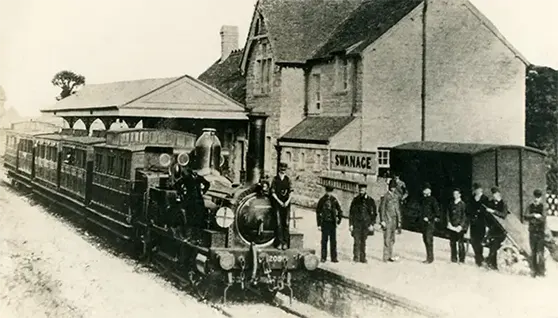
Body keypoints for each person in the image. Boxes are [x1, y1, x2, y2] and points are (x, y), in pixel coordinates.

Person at [349, 183, 377, 263]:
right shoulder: (355, 200)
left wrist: (372, 224)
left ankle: (362, 258)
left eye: (363, 189)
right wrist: (351, 224)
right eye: (360, 189)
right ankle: (356, 258)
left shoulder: (370, 200)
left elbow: (374, 213)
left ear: (365, 190)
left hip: (366, 224)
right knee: (356, 241)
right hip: (356, 223)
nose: (361, 190)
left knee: (363, 241)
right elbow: (351, 213)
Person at [484, 187, 509, 270]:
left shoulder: (503, 204)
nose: (494, 196)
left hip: (501, 230)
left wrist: (493, 211)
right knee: (492, 245)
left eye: (496, 194)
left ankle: (490, 262)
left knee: (494, 245)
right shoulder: (491, 203)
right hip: (492, 229)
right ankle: (493, 264)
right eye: (493, 194)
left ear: (499, 194)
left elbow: (504, 215)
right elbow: (487, 216)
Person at [316, 185, 343, 263]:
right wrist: (319, 224)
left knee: (333, 241)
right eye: (328, 191)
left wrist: (338, 221)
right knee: (324, 241)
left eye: (330, 192)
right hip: (324, 223)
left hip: (332, 223)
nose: (329, 193)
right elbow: (318, 212)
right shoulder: (322, 200)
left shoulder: (334, 200)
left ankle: (333, 258)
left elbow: (340, 211)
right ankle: (323, 257)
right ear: (325, 191)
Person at [524, 189, 547, 277]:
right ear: (533, 197)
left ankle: (541, 272)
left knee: (540, 252)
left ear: (541, 198)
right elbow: (525, 216)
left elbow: (543, 218)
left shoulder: (543, 207)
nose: (537, 199)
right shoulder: (530, 206)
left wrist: (536, 218)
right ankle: (533, 271)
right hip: (532, 232)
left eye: (538, 197)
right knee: (533, 252)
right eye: (535, 197)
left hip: (540, 233)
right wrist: (534, 215)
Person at [271, 162, 293, 250]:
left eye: (284, 169)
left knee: (286, 223)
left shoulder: (288, 179)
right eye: (281, 169)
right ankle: (279, 243)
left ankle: (285, 243)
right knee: (278, 223)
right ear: (279, 169)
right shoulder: (275, 179)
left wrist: (287, 201)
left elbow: (291, 191)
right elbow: (273, 192)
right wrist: (279, 201)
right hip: (278, 204)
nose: (283, 171)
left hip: (286, 204)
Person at [378, 180, 401, 262]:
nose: (393, 189)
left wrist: (399, 221)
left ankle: (390, 255)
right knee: (387, 239)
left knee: (392, 239)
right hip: (388, 220)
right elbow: (382, 209)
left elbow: (398, 209)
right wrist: (382, 220)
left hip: (394, 220)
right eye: (392, 187)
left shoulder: (396, 196)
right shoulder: (385, 196)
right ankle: (385, 257)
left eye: (394, 187)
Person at [467, 183, 489, 266]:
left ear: (481, 189)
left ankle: (479, 258)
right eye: (475, 189)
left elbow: (486, 211)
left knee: (480, 240)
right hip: (473, 223)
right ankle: (478, 256)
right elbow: (468, 209)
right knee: (473, 240)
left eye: (478, 189)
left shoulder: (485, 198)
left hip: (481, 223)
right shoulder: (472, 198)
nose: (476, 191)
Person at [420, 183, 440, 264]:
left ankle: (430, 258)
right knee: (425, 239)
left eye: (426, 190)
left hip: (429, 223)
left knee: (428, 240)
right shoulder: (423, 200)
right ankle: (428, 257)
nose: (424, 192)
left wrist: (429, 218)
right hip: (424, 223)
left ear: (429, 191)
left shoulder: (433, 200)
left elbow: (437, 212)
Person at [447, 188, 468, 263]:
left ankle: (462, 259)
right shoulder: (451, 203)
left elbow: (464, 216)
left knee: (460, 243)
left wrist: (461, 226)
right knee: (452, 242)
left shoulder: (462, 204)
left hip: (459, 227)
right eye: (454, 194)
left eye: (456, 194)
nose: (455, 195)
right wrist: (449, 222)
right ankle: (453, 258)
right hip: (452, 226)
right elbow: (448, 214)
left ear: (459, 194)